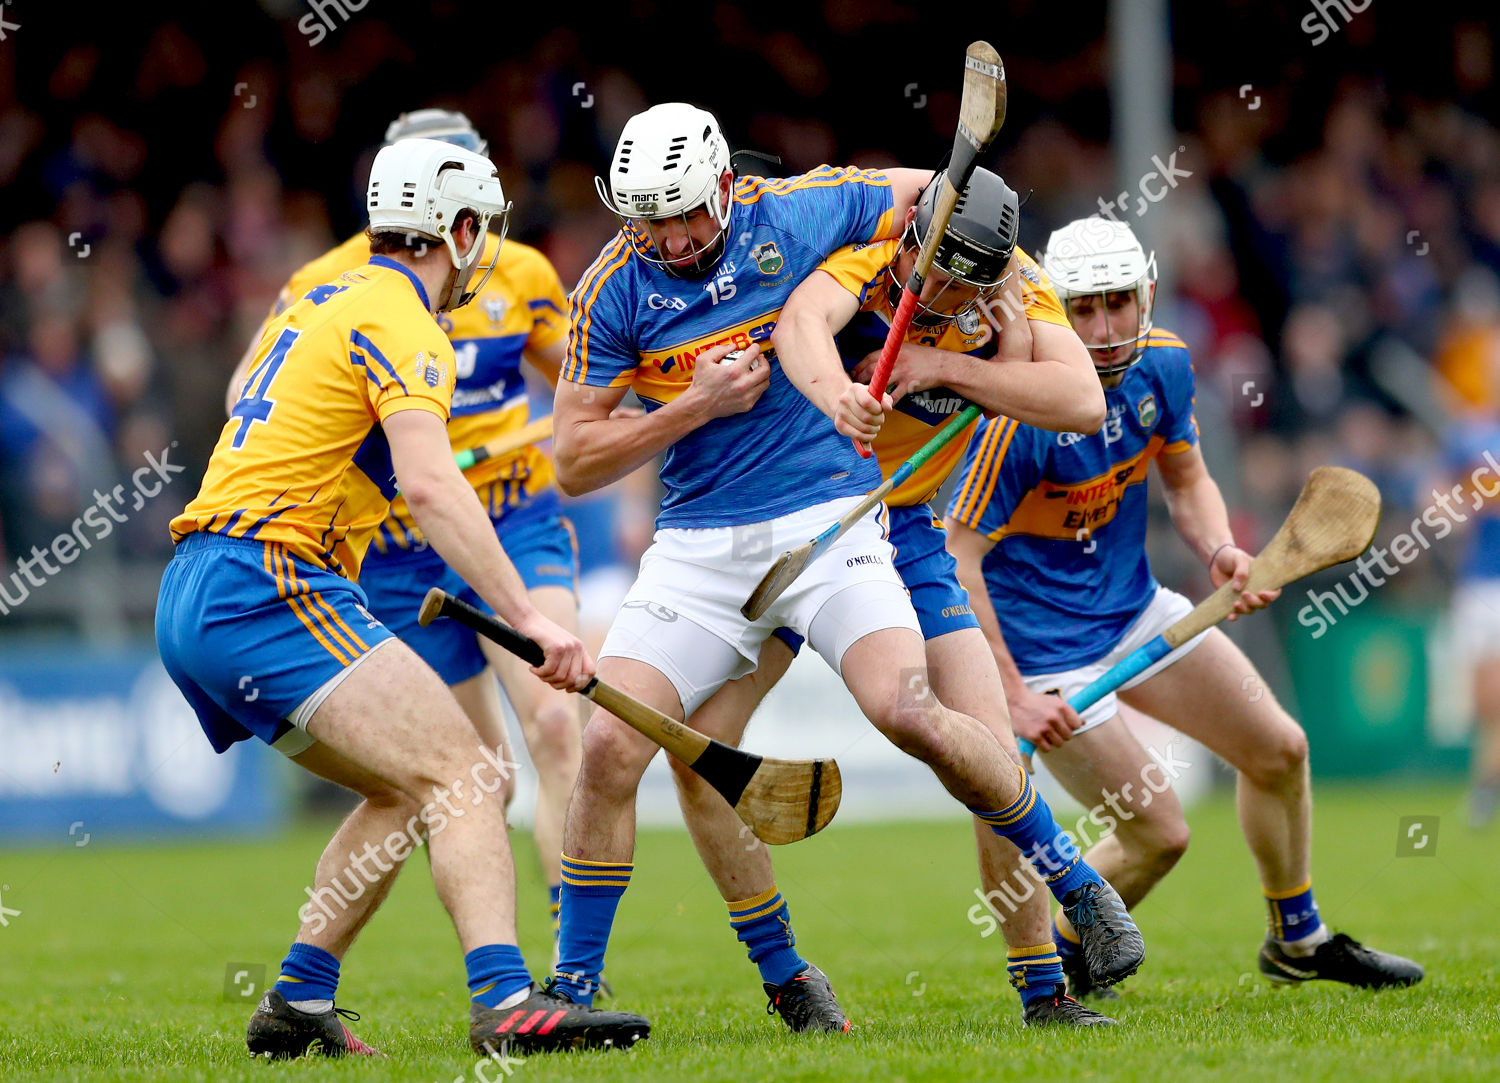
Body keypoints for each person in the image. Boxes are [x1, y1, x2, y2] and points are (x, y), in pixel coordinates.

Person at [545, 102, 1144, 1029]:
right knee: (616, 743)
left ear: (725, 187)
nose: (669, 237)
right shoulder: (624, 287)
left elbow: (936, 210)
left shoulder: (869, 234)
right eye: (648, 218)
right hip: (702, 545)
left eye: (686, 214)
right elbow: (576, 460)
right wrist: (696, 409)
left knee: (923, 714)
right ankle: (596, 993)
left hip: (847, 520)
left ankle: (1062, 931)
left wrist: (953, 360)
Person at [158, 137, 649, 1058]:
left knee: (400, 789)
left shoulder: (320, 296)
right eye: (484, 231)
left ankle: (299, 1001)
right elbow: (430, 487)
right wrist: (531, 616)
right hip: (266, 580)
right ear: (456, 229)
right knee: (469, 774)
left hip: (195, 590)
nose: (488, 252)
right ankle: (509, 1000)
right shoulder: (408, 321)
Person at [943, 216, 1424, 998]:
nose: (1103, 328)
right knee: (1158, 834)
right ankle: (1064, 955)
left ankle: (1296, 939)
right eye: (1083, 309)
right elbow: (956, 559)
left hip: (1138, 613)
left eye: (1118, 303)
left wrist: (1219, 550)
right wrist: (1013, 694)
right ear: (1051, 312)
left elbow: (1188, 476)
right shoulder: (1018, 416)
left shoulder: (1162, 365)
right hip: (1043, 655)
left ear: (1148, 296)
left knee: (1281, 750)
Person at [227, 111, 587, 964]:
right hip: (387, 551)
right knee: (472, 780)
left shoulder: (521, 276)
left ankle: (574, 962)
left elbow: (585, 390)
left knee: (554, 728)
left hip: (508, 517)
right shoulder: (347, 286)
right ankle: (493, 989)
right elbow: (258, 395)